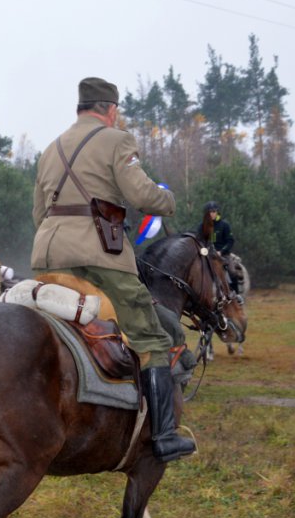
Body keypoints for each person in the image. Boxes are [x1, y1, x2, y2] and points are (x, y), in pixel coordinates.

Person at [32, 76, 194, 463]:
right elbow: (140, 194)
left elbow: (39, 213)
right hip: (99, 256)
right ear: (111, 109)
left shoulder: (51, 148)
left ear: (79, 107)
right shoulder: (117, 139)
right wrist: (167, 199)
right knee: (150, 337)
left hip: (50, 255)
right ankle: (165, 434)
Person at [203, 200, 241, 296]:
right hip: (207, 254)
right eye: (209, 212)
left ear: (217, 212)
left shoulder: (224, 225)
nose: (212, 214)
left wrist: (221, 251)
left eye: (213, 211)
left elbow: (230, 240)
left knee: (232, 272)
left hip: (223, 254)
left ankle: (237, 295)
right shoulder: (203, 226)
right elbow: (199, 239)